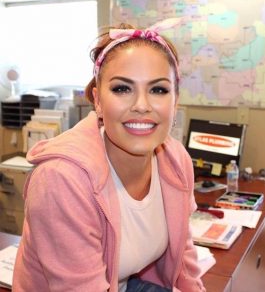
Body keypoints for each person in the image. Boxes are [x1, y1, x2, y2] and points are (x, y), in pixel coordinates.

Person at [13, 22, 206, 292]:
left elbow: (183, 251)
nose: (141, 105)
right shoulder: (61, 178)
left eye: (158, 90)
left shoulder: (176, 160)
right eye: (122, 89)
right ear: (98, 100)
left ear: (175, 101)